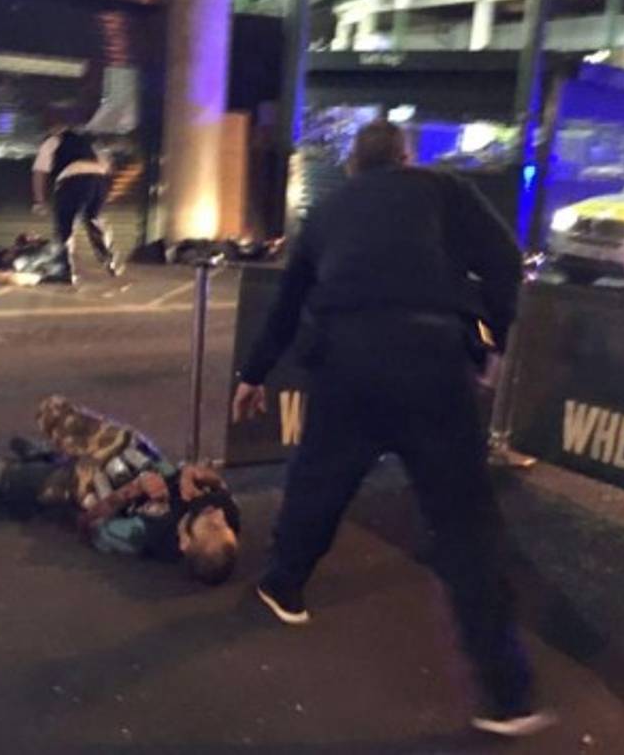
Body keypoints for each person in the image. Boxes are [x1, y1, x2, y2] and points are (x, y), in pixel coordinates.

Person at [231, 120, 551, 737]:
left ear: (353, 164)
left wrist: (254, 373)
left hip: (348, 359)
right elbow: (504, 261)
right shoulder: (443, 189)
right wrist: (487, 340)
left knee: (318, 480)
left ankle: (285, 586)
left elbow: (289, 300)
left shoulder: (327, 210)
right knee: (464, 524)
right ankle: (509, 694)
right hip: (432, 358)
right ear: (405, 157)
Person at [0, 396, 240, 585]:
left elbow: (90, 526)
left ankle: (39, 464)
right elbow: (217, 483)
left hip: (91, 483)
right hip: (126, 450)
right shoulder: (225, 512)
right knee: (52, 409)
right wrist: (192, 474)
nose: (217, 514)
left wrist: (133, 489)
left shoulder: (148, 533)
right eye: (224, 525)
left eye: (213, 525)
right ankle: (50, 454)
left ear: (185, 542)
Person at [31, 118, 120, 282]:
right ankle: (109, 258)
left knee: (65, 225)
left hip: (72, 179)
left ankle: (66, 269)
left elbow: (39, 172)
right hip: (98, 178)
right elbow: (109, 166)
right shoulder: (89, 142)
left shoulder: (52, 141)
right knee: (94, 219)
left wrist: (39, 201)